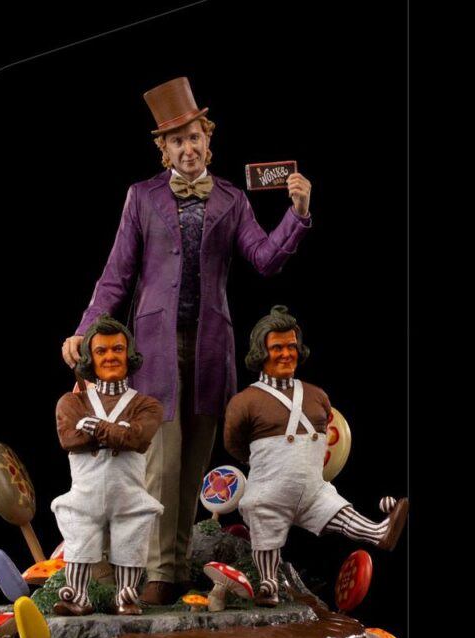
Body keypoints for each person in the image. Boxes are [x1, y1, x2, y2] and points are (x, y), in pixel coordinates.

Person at [62, 77, 313, 605]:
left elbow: (265, 259)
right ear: (164, 148)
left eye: (194, 137)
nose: (188, 148)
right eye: (177, 140)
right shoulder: (141, 197)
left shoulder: (232, 199)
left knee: (195, 460)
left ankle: (176, 568)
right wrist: (86, 329)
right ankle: (158, 572)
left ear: (208, 140)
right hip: (155, 347)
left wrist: (297, 213)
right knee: (161, 462)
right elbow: (116, 275)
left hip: (210, 346)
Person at [224, 305, 409, 606]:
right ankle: (268, 583)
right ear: (261, 352)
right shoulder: (244, 402)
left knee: (340, 511)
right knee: (265, 531)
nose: (287, 354)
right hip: (269, 490)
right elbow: (233, 444)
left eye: (291, 346)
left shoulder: (318, 396)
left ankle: (379, 533)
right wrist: (263, 463)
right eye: (277, 347)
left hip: (313, 489)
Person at [51, 315, 163, 616]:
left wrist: (93, 426)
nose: (110, 356)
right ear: (90, 357)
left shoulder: (147, 405)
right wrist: (117, 433)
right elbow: (69, 439)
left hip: (129, 493)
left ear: (129, 354)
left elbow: (137, 438)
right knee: (79, 540)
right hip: (85, 493)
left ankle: (126, 596)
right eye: (101, 350)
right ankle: (77, 595)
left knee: (131, 541)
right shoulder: (71, 402)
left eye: (117, 349)